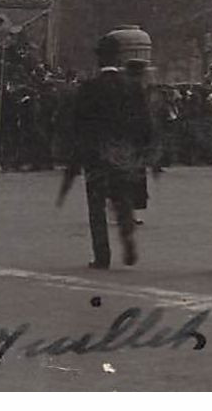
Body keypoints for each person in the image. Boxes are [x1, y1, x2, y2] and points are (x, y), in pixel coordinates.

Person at [74, 39, 153, 269]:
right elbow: (144, 120)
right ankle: (127, 235)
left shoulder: (89, 88)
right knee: (123, 198)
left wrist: (80, 150)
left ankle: (102, 255)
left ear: (100, 59)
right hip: (124, 152)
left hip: (97, 153)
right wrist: (141, 147)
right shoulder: (132, 86)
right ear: (118, 59)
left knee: (96, 204)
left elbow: (79, 122)